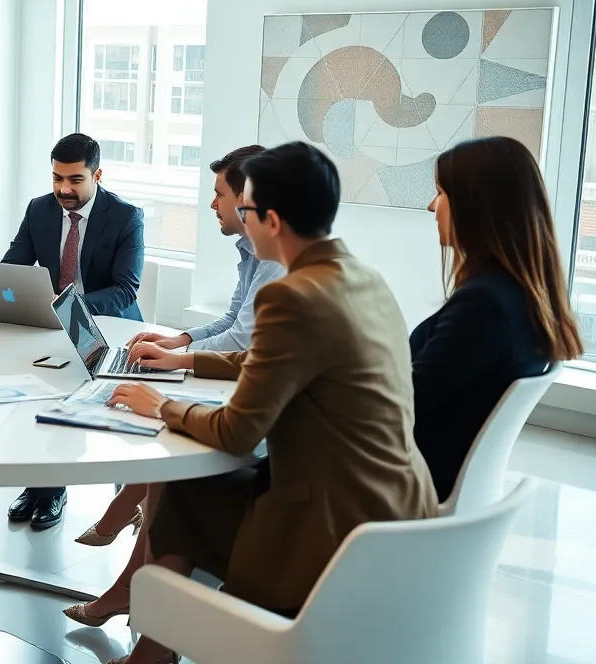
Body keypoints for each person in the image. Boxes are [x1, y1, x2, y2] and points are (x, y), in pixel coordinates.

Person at [88, 142, 437, 664]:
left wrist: (161, 407)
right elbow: (269, 357)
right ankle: (153, 642)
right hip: (392, 501)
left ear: (271, 220)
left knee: (179, 493)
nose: (241, 222)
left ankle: (154, 649)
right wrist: (187, 360)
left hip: (332, 522)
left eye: (245, 210)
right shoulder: (361, 276)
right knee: (185, 490)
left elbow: (238, 433)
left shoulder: (290, 296)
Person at [77, 144, 284, 547]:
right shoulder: (252, 252)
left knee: (165, 429)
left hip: (264, 428)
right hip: (246, 388)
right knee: (162, 422)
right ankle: (123, 522)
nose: (212, 204)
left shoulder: (275, 262)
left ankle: (120, 517)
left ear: (247, 200)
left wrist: (177, 359)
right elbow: (233, 320)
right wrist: (181, 340)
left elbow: (243, 339)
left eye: (220, 194)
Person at [413, 136, 583, 502]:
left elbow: (404, 402)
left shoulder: (484, 305)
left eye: (441, 194)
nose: (431, 207)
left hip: (409, 481)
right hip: (438, 475)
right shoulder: (521, 298)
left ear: (477, 207)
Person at [2, 132, 145, 530]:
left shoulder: (126, 216)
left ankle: (54, 489)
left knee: (67, 397)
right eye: (57, 178)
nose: (64, 189)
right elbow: (12, 266)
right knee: (33, 394)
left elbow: (125, 289)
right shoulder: (39, 209)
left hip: (108, 327)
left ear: (97, 175)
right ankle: (38, 485)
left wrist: (68, 306)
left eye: (75, 180)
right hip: (53, 324)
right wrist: (9, 290)